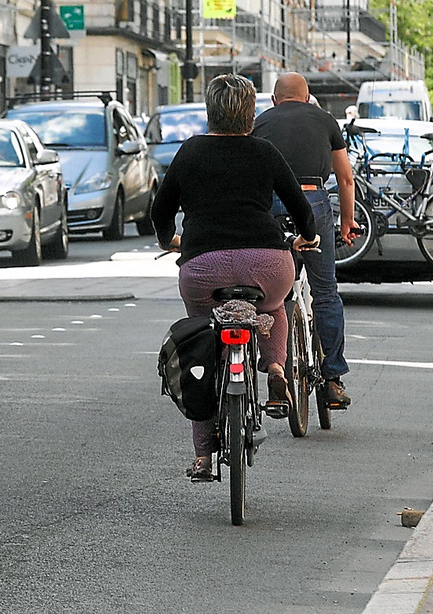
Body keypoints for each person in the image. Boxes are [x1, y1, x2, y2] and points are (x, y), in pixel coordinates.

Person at [150, 74, 318, 482]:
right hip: (267, 263)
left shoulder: (189, 153)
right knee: (275, 306)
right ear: (251, 113)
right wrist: (306, 237)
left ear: (210, 111)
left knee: (205, 338)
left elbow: (159, 210)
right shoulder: (265, 151)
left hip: (203, 267)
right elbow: (301, 206)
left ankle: (204, 457)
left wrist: (171, 240)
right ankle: (276, 368)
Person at [252, 72, 359, 407]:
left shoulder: (260, 122)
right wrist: (347, 221)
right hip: (313, 199)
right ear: (307, 97)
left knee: (274, 293)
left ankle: (277, 368)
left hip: (271, 203)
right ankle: (332, 380)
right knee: (325, 291)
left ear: (275, 100)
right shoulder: (325, 120)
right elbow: (344, 178)